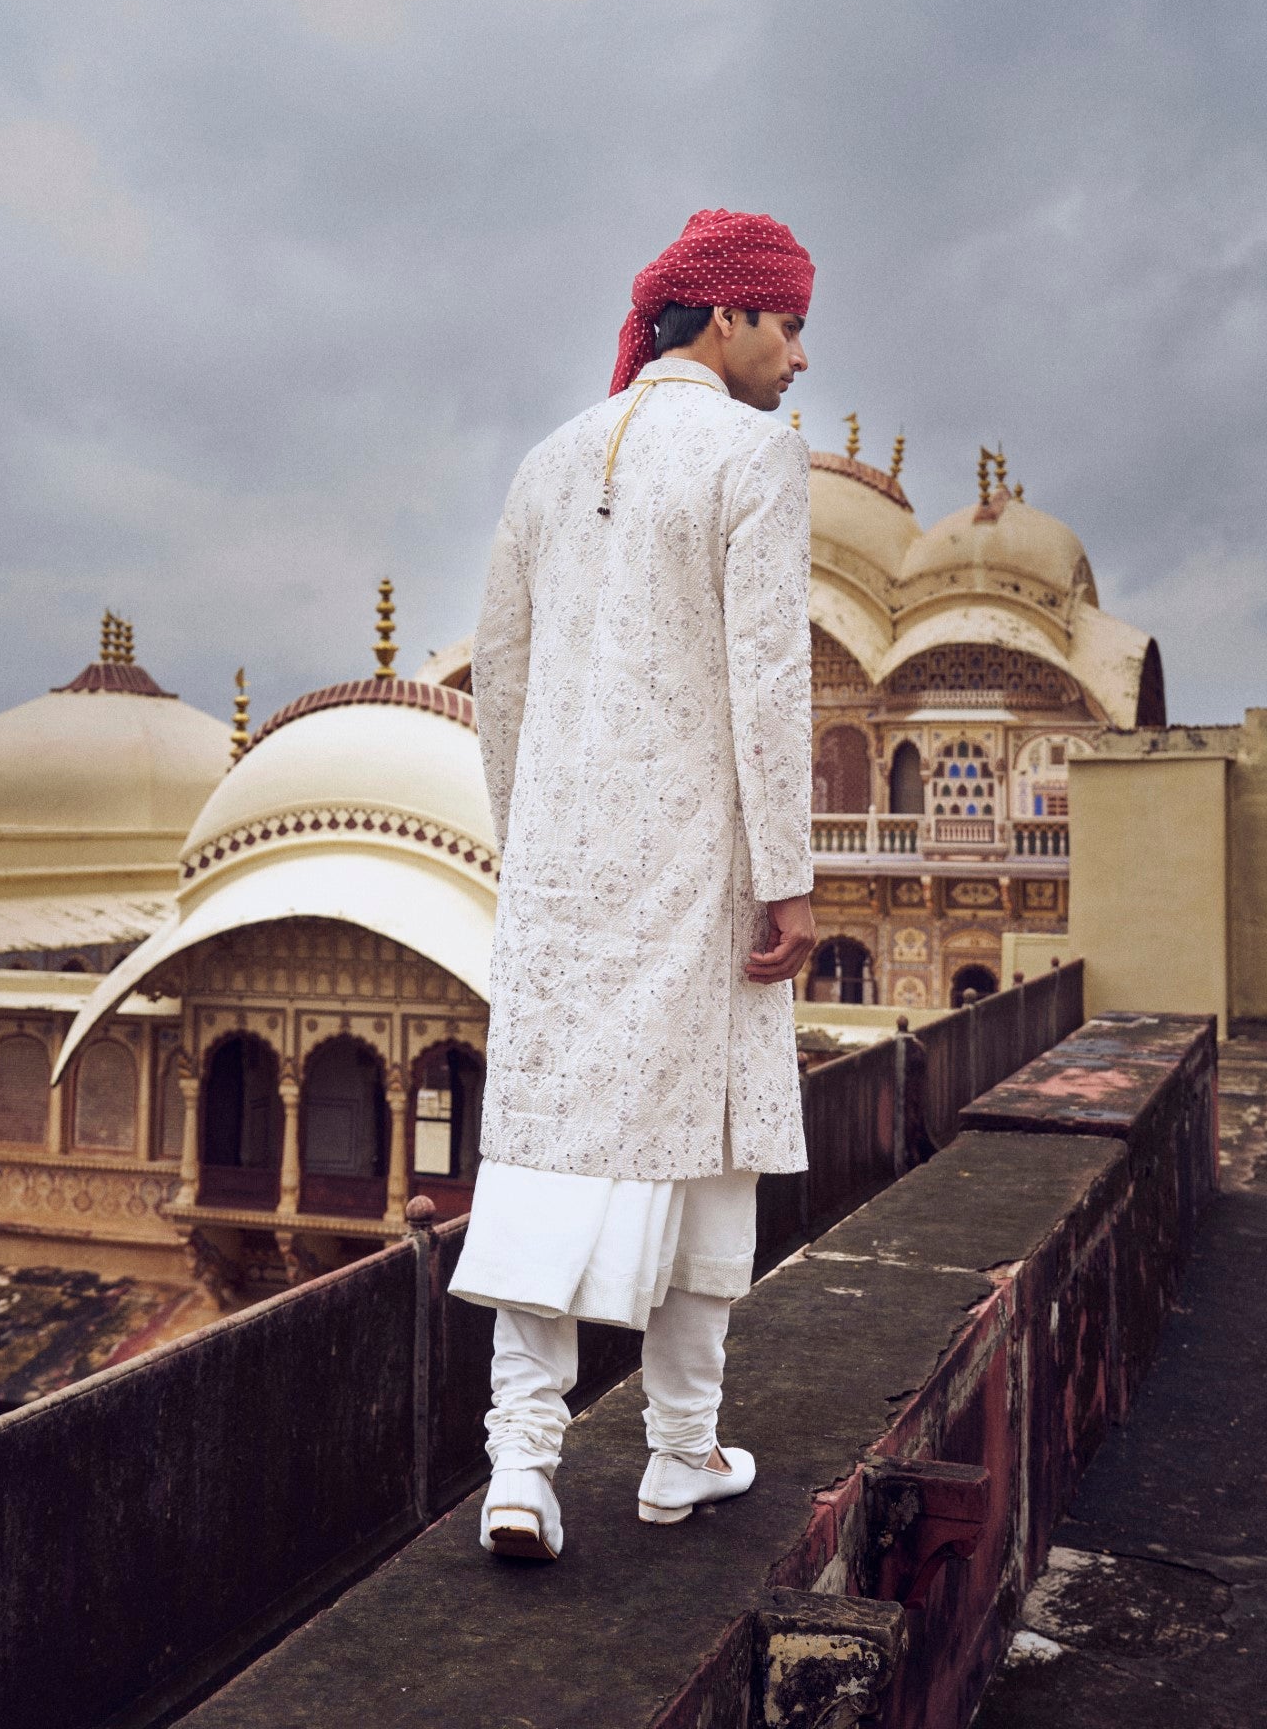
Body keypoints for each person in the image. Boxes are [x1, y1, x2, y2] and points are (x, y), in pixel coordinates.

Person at [450, 207, 818, 1561]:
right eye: (787, 327)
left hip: (563, 881)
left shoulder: (550, 463)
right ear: (724, 320)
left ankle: (519, 1470)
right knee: (709, 1144)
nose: (797, 359)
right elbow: (770, 684)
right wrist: (789, 879)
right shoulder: (752, 454)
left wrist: (535, 838)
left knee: (544, 1150)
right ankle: (676, 1456)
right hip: (700, 871)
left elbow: (499, 677)